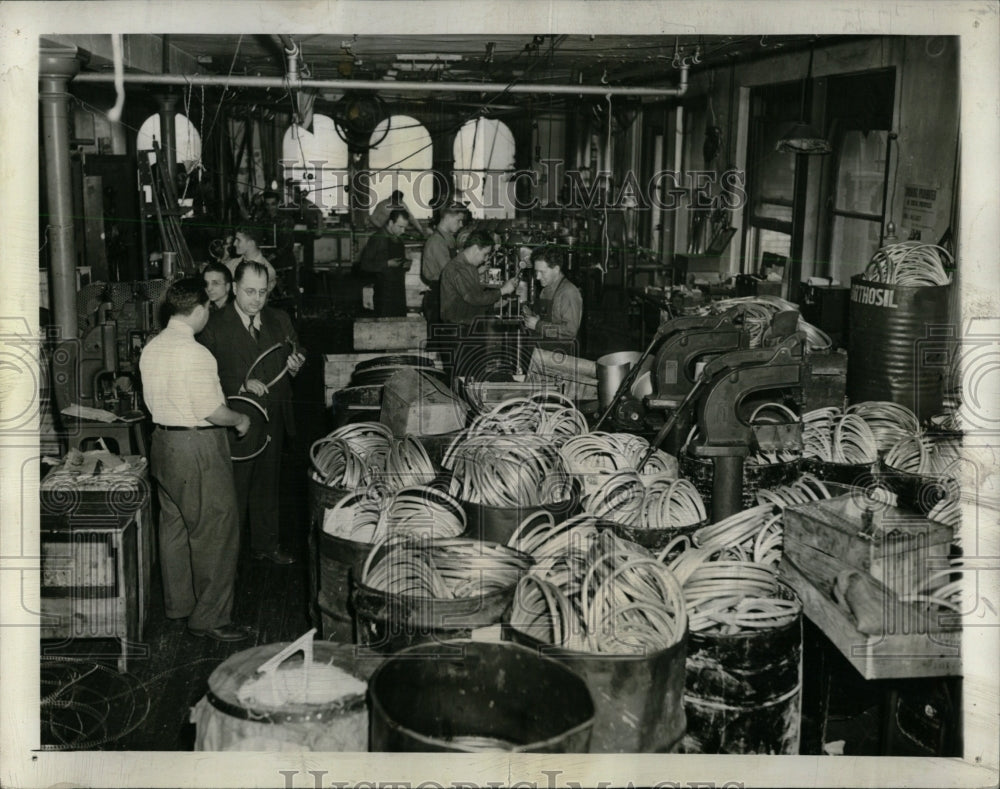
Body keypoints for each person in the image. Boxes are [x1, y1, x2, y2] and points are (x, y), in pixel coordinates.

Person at [139, 277, 254, 642]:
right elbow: (210, 410)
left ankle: (180, 605)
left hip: (162, 443)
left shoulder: (152, 348)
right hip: (197, 449)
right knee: (215, 530)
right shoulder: (196, 353)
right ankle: (211, 618)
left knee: (174, 527)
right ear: (200, 308)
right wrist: (239, 418)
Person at [198, 260, 305, 566]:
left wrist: (297, 360)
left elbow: (297, 347)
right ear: (233, 289)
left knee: (268, 485)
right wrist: (241, 382)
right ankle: (228, 557)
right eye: (249, 291)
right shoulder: (214, 325)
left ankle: (266, 544)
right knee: (235, 489)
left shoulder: (279, 318)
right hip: (237, 421)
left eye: (262, 292)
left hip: (274, 416)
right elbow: (205, 375)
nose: (256, 299)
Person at [439, 230, 517, 327]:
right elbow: (475, 298)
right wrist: (503, 290)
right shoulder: (459, 269)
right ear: (475, 249)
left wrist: (494, 304)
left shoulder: (469, 267)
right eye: (485, 254)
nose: (485, 259)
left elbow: (470, 302)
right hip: (458, 328)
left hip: (464, 323)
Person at [521, 245, 584, 355]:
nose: (538, 277)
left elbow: (569, 332)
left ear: (556, 269)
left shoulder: (568, 292)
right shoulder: (546, 290)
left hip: (561, 356)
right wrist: (533, 316)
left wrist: (538, 325)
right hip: (544, 351)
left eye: (542, 272)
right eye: (536, 272)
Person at [358, 207, 411, 318]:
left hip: (398, 290)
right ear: (391, 222)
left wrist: (405, 265)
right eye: (400, 227)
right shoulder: (377, 238)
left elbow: (398, 261)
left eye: (405, 228)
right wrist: (387, 264)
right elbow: (364, 265)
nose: (403, 231)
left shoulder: (397, 237)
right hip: (384, 292)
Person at [421, 203, 464, 327]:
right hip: (437, 297)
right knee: (439, 342)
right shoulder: (437, 241)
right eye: (459, 220)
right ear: (448, 217)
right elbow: (450, 272)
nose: (461, 225)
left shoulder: (448, 239)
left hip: (445, 293)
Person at [230, 226, 278, 294]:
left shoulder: (268, 272)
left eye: (238, 240)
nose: (234, 244)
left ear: (251, 243)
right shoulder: (231, 264)